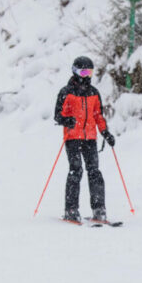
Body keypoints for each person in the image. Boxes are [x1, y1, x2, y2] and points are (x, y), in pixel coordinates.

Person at [53, 56, 115, 223]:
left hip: (90, 138)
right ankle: (71, 209)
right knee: (76, 170)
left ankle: (99, 208)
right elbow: (58, 115)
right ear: (75, 71)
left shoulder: (94, 93)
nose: (87, 75)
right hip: (72, 137)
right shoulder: (66, 92)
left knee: (94, 171)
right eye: (83, 71)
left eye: (90, 72)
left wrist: (105, 133)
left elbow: (98, 116)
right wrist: (67, 121)